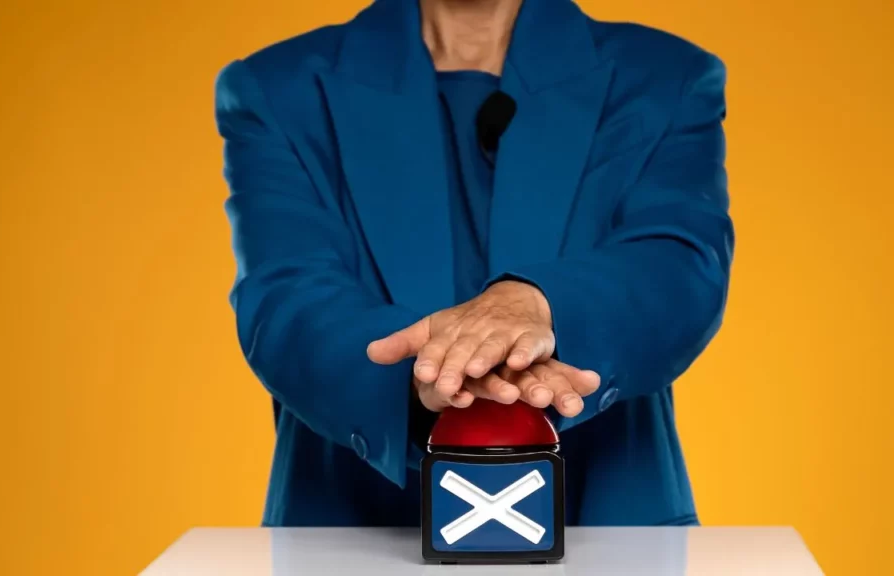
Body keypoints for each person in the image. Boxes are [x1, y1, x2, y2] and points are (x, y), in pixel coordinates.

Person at [214, 0, 733, 528]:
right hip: (350, 521)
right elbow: (285, 297)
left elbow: (681, 261)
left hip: (608, 511)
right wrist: (434, 370)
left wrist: (535, 304)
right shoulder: (275, 89)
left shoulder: (667, 77)